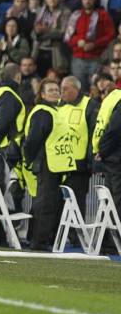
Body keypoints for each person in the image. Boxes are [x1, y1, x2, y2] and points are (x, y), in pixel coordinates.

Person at [23, 79, 76, 251]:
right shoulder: (43, 112)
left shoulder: (54, 111)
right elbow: (32, 140)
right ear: (43, 94)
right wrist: (30, 159)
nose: (55, 92)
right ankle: (38, 242)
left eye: (56, 89)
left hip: (56, 165)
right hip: (46, 164)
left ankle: (39, 238)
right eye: (50, 90)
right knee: (45, 204)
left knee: (49, 203)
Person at [0, 63, 27, 211]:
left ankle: (3, 227)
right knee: (12, 191)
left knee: (1, 190)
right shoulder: (9, 96)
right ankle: (11, 227)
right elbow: (3, 124)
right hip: (8, 150)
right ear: (18, 76)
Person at [59, 76, 95, 215]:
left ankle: (76, 236)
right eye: (61, 88)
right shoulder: (59, 104)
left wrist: (89, 160)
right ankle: (61, 235)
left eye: (65, 88)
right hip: (59, 163)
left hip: (78, 165)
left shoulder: (89, 105)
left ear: (76, 89)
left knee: (76, 203)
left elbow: (93, 135)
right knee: (58, 203)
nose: (62, 92)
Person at [92, 85, 121, 223]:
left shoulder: (113, 101)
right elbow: (115, 130)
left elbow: (113, 130)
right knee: (115, 200)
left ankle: (109, 239)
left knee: (111, 199)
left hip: (113, 158)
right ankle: (113, 240)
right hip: (115, 158)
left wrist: (102, 151)